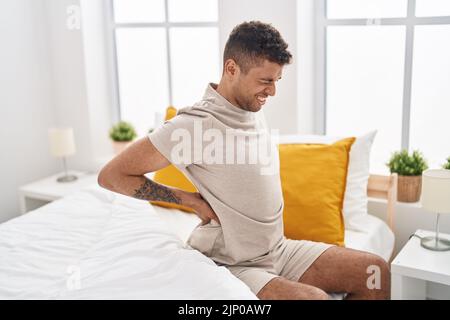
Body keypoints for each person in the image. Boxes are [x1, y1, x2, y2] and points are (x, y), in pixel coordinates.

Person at [98, 21, 390, 300]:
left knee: (374, 272)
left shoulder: (249, 107)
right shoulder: (194, 125)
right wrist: (188, 200)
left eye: (276, 81)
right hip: (231, 262)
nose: (272, 91)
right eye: (265, 81)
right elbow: (112, 175)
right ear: (231, 69)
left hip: (277, 249)